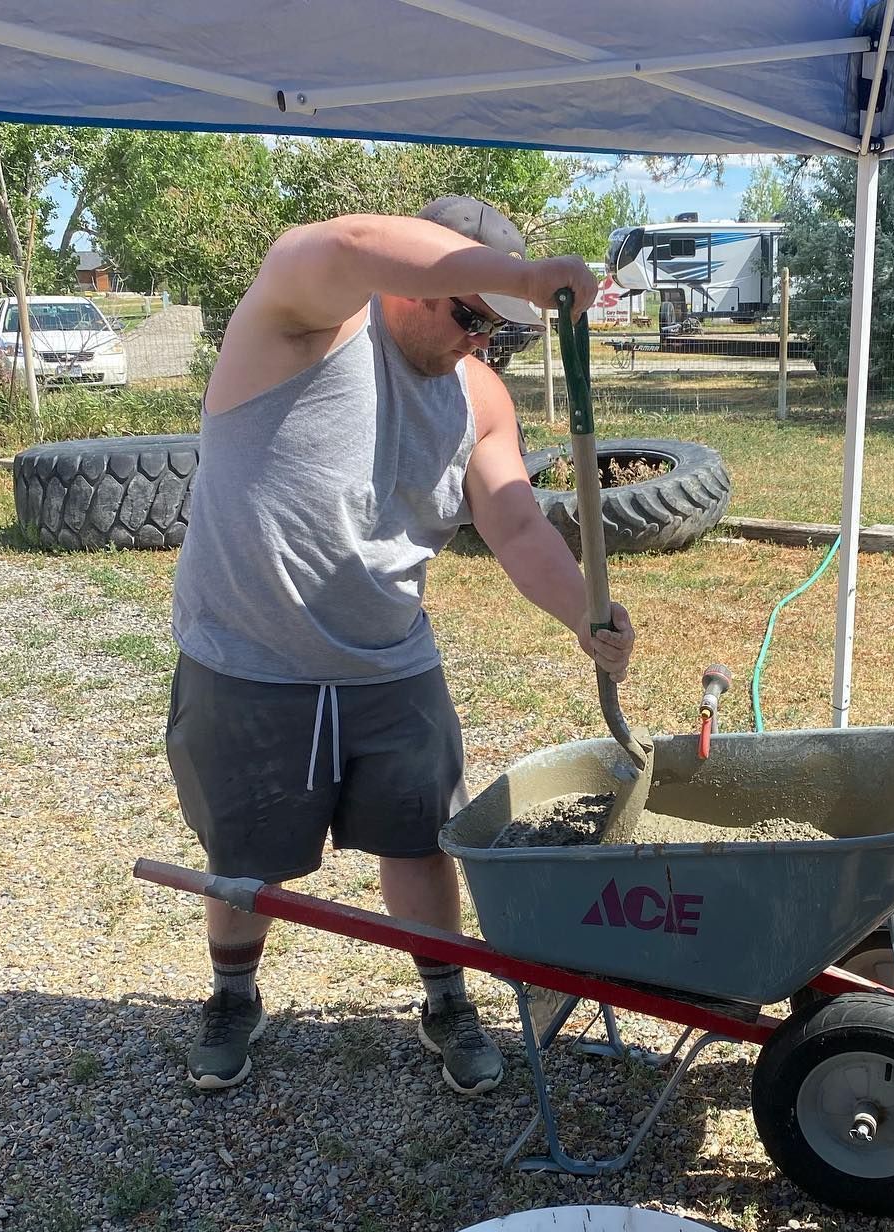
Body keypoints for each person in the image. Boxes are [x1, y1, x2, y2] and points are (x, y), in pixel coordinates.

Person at [166, 197, 633, 1097]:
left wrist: (585, 612)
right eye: (470, 313)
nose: (479, 342)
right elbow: (349, 241)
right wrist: (523, 280)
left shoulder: (477, 394)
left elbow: (518, 525)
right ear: (416, 284)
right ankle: (232, 994)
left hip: (390, 660)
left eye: (501, 333)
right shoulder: (304, 323)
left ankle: (445, 999)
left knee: (424, 839)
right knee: (242, 851)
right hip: (248, 657)